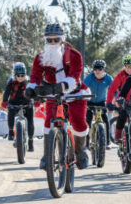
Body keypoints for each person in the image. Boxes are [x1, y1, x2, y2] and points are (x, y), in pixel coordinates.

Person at [25, 23, 90, 170]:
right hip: (53, 93)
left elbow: (75, 76)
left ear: (62, 39)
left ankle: (80, 151)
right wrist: (31, 89)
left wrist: (60, 86)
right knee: (49, 122)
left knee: (78, 120)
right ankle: (47, 155)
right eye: (49, 40)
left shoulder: (74, 55)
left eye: (56, 40)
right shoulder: (41, 57)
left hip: (75, 93)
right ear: (45, 41)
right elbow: (35, 76)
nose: (53, 43)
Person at [1, 62, 35, 151]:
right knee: (10, 113)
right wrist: (4, 101)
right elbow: (7, 92)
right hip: (14, 103)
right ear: (15, 75)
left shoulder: (29, 82)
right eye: (18, 75)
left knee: (31, 122)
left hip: (27, 104)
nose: (20, 77)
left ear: (25, 75)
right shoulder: (11, 82)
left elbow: (34, 92)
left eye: (22, 75)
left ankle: (31, 141)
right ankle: (11, 131)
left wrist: (38, 100)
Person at [106, 55, 131, 143]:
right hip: (123, 100)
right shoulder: (121, 75)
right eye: (127, 67)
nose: (129, 69)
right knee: (123, 116)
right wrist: (109, 102)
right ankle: (118, 135)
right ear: (125, 67)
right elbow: (112, 89)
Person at [83, 60, 113, 147]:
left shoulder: (108, 78)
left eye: (99, 69)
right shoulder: (90, 77)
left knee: (106, 120)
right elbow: (83, 87)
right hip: (90, 101)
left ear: (103, 70)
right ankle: (87, 142)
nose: (97, 71)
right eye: (95, 69)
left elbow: (115, 90)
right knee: (87, 120)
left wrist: (114, 100)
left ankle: (107, 141)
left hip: (102, 102)